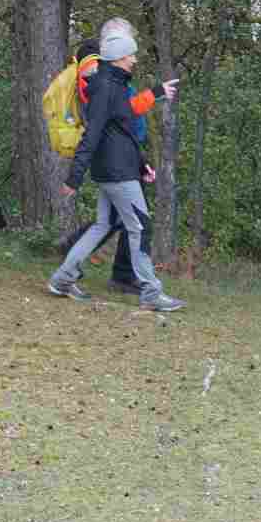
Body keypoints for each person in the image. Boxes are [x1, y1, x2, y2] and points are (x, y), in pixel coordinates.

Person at [47, 32, 185, 312]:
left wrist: (141, 164)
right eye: (130, 54)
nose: (134, 59)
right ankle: (151, 292)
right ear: (119, 57)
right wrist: (75, 176)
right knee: (140, 227)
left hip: (118, 168)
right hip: (117, 173)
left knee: (103, 225)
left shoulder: (114, 84)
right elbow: (93, 135)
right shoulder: (105, 88)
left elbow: (123, 129)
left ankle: (62, 279)